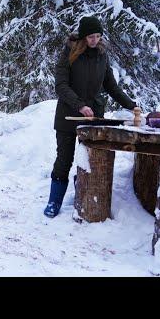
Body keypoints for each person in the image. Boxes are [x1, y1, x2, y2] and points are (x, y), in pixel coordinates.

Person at [44, 16, 137, 218]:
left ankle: (83, 194)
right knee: (64, 159)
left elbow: (111, 85)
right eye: (90, 36)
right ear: (83, 36)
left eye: (97, 36)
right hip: (68, 115)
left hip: (93, 117)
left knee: (89, 159)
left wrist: (132, 106)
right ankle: (54, 201)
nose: (94, 40)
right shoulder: (70, 52)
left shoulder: (102, 55)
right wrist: (79, 105)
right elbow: (60, 85)